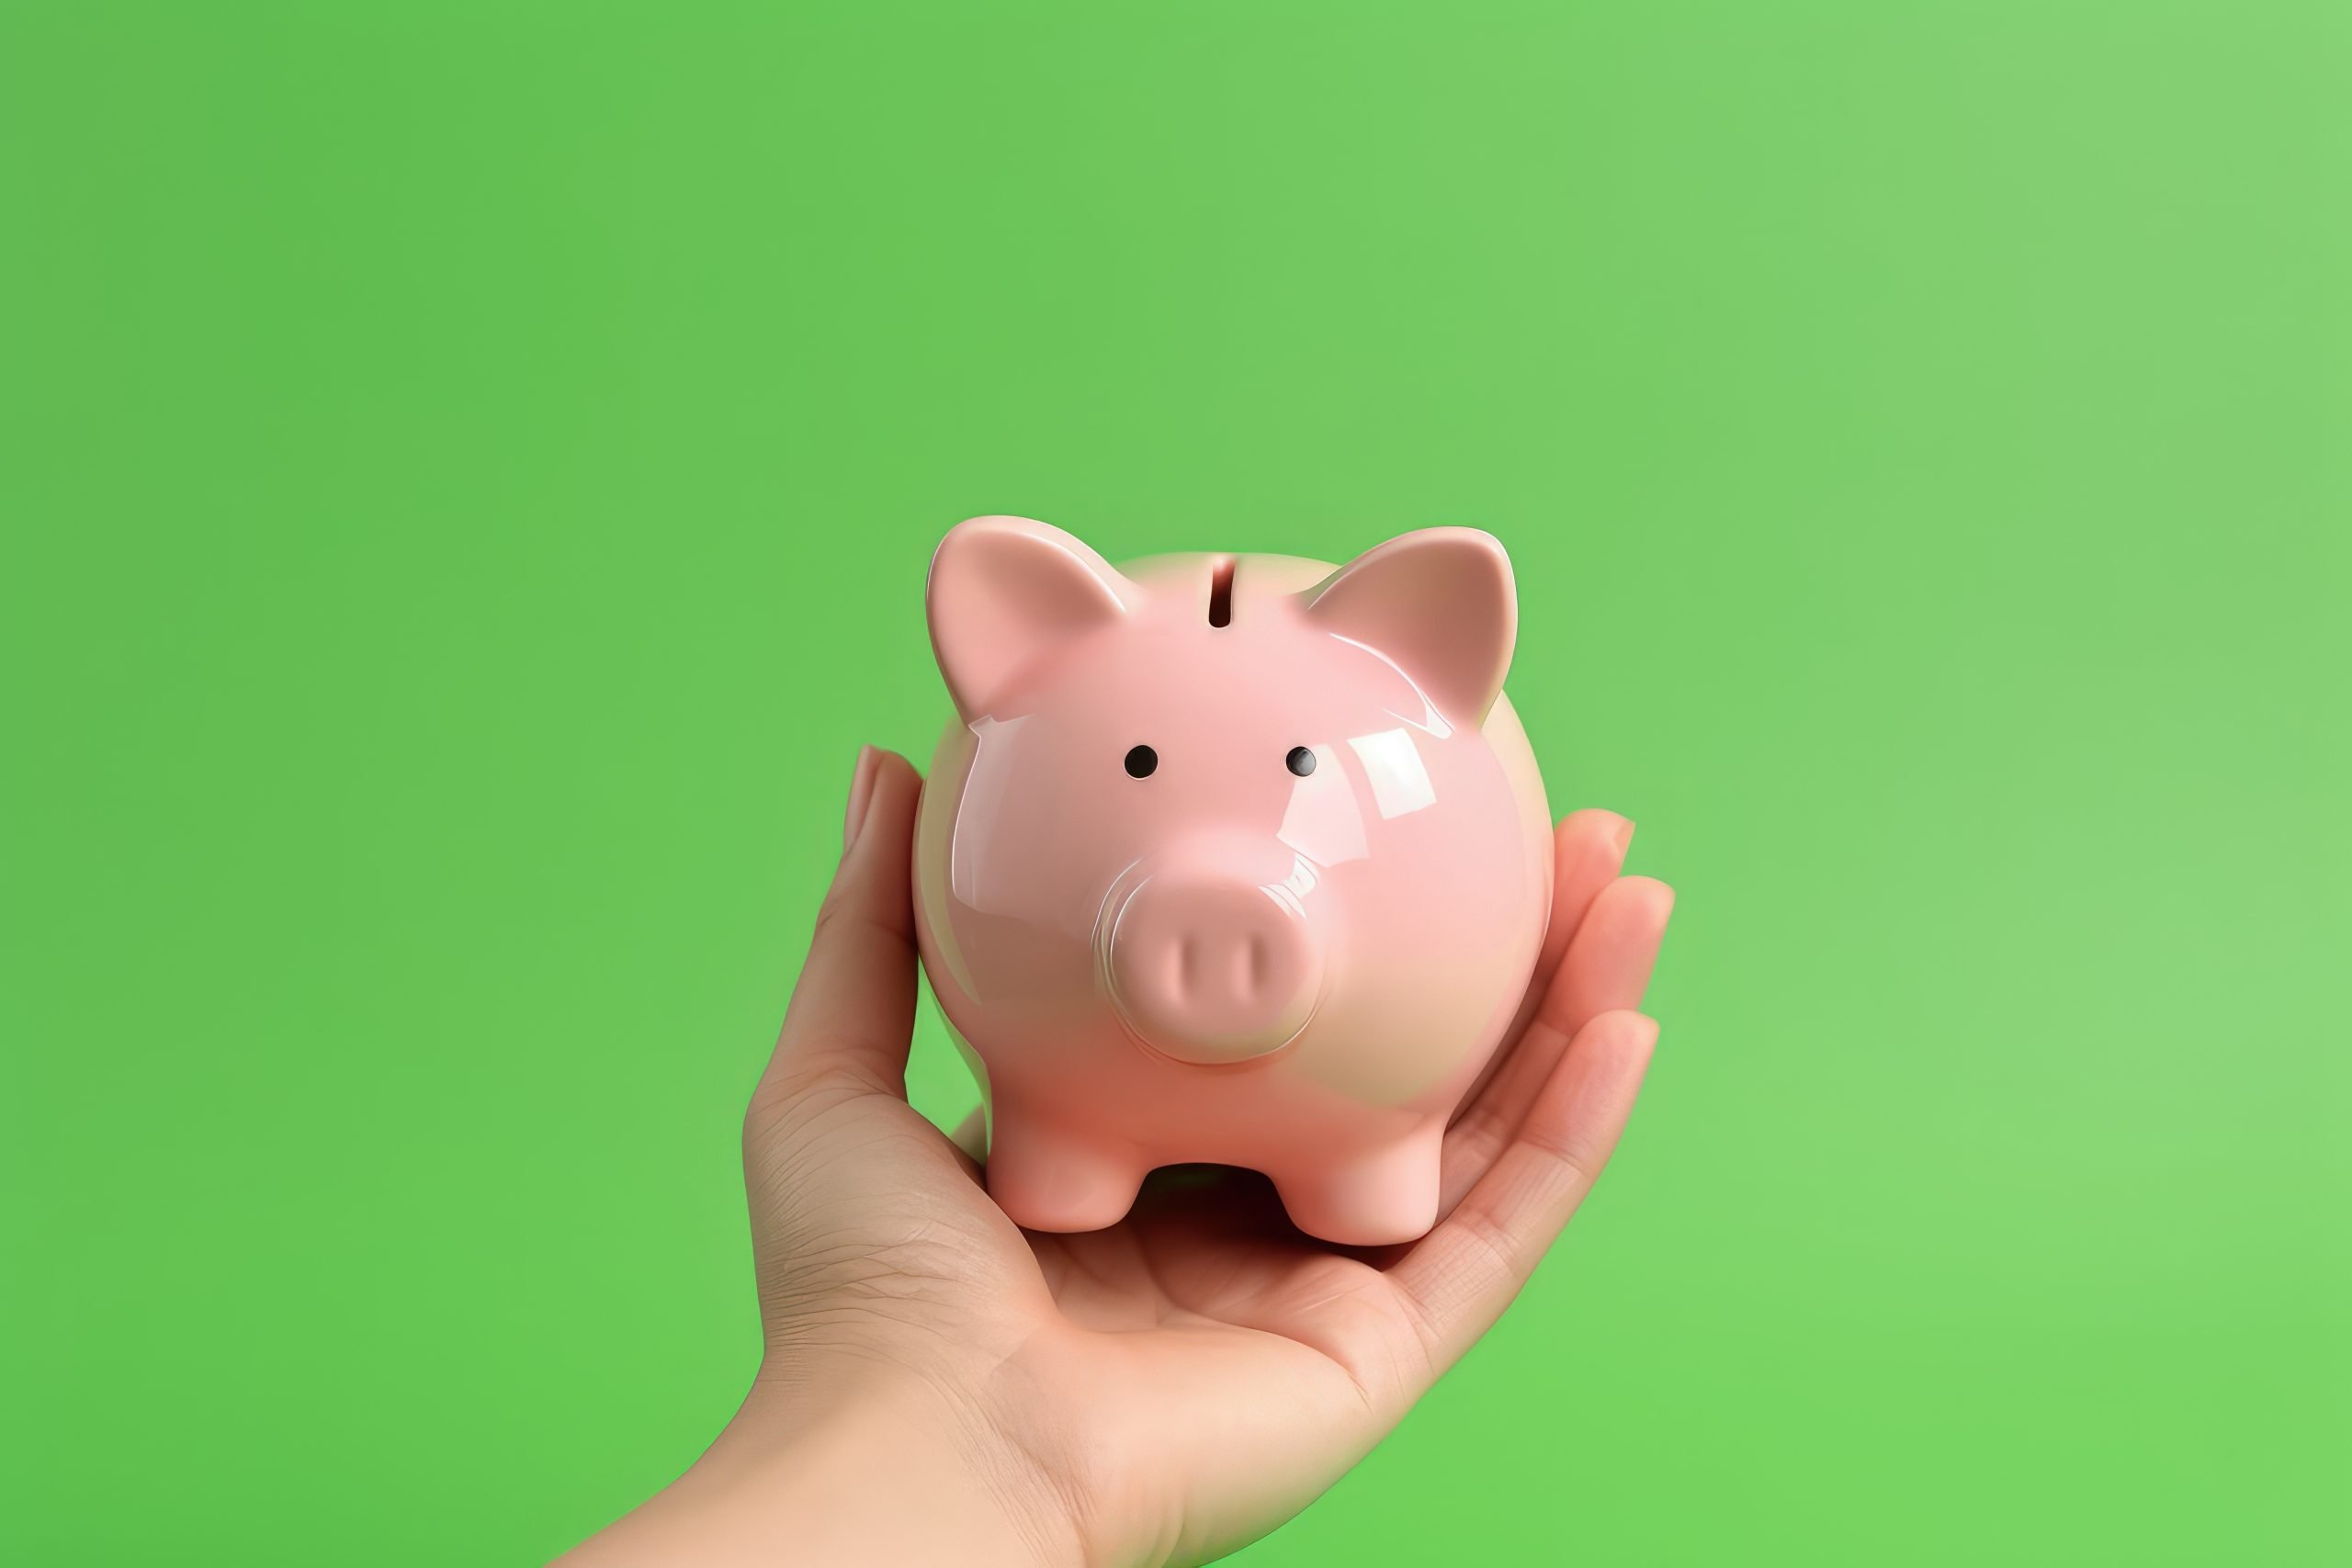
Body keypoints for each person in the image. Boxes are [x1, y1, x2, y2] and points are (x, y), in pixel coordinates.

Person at [561, 748, 1674, 1566]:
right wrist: (976, 1445)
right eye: (1132, 765)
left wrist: (970, 1457)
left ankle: (1364, 1157)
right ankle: (1093, 1151)